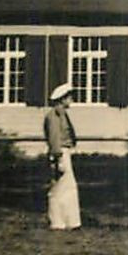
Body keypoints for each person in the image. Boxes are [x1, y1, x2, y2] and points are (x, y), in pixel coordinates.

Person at [44, 83, 82, 231]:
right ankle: (57, 221)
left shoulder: (62, 114)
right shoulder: (54, 116)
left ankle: (69, 220)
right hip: (60, 153)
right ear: (62, 99)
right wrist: (57, 157)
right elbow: (54, 138)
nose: (71, 99)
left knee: (68, 187)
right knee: (58, 188)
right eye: (69, 97)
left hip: (65, 152)